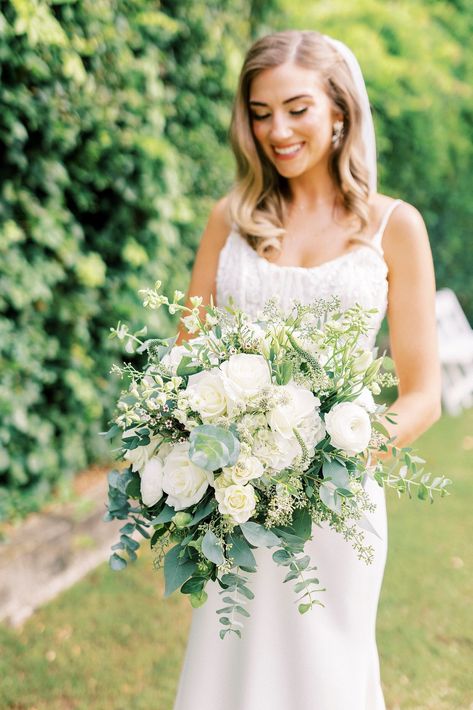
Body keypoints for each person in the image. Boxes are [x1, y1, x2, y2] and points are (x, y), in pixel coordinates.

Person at [172, 29, 441, 710]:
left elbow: (422, 395)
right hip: (232, 502)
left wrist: (330, 462)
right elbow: (183, 359)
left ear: (338, 111)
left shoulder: (393, 227)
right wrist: (208, 448)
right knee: (228, 675)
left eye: (296, 109)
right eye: (259, 113)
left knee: (326, 677)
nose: (276, 130)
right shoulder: (227, 222)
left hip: (334, 510)